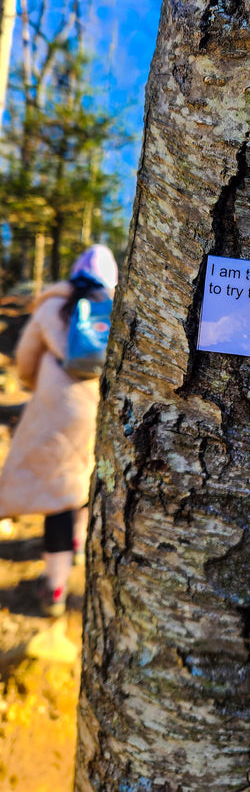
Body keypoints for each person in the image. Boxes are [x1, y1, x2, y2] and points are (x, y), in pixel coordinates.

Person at [0, 244, 118, 616]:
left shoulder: (53, 305)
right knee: (84, 479)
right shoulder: (117, 307)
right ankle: (79, 545)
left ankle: (54, 588)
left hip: (57, 408)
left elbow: (25, 361)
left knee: (57, 496)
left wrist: (36, 385)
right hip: (100, 405)